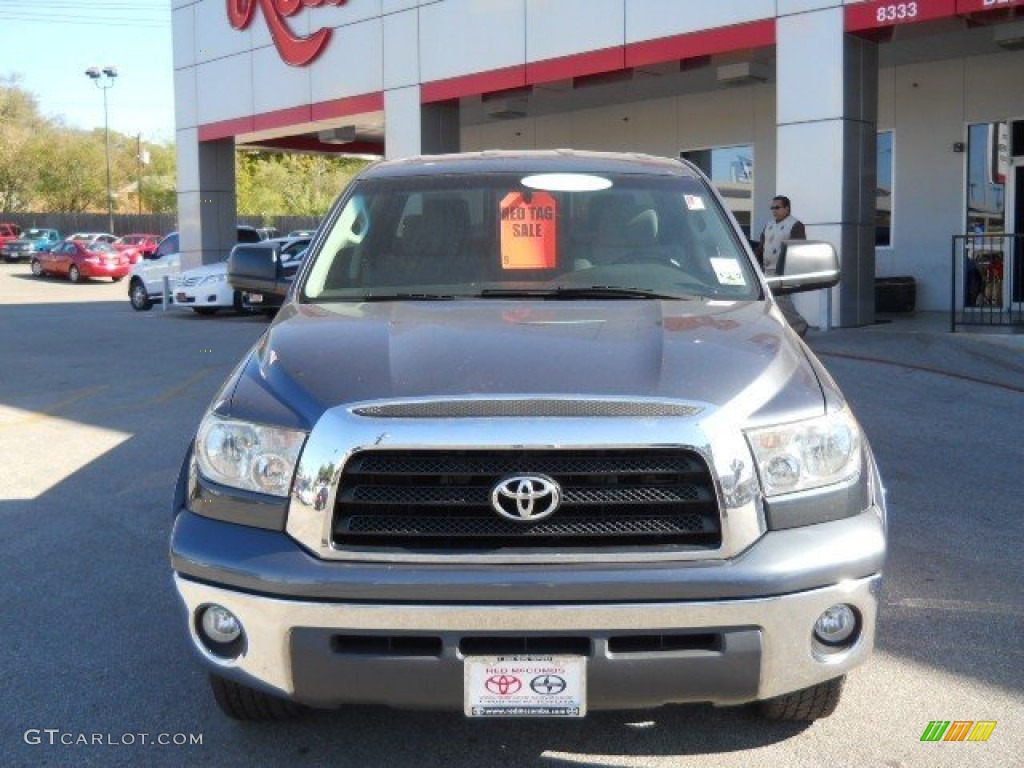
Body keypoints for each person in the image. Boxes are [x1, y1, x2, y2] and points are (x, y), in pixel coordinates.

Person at [756, 195, 809, 337]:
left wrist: (790, 269)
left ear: (787, 208)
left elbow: (798, 249)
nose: (774, 210)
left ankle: (799, 325)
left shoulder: (795, 225)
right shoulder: (769, 224)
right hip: (767, 269)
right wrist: (755, 262)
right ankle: (777, 327)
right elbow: (762, 245)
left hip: (783, 270)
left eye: (777, 207)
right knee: (767, 301)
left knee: (780, 299)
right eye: (772, 208)